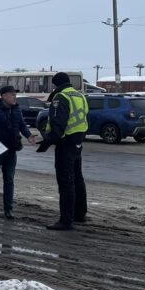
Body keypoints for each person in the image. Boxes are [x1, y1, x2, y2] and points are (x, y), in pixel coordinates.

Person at [0, 85, 37, 219]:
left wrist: (28, 135)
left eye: (15, 95)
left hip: (11, 150)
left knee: (9, 180)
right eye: (12, 94)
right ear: (4, 96)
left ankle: (8, 209)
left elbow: (21, 124)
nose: (14, 97)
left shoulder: (16, 109)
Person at [42, 72, 89, 231]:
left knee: (65, 182)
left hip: (65, 143)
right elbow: (84, 117)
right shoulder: (79, 96)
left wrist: (47, 141)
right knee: (77, 178)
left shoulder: (61, 97)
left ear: (55, 84)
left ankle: (66, 220)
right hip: (78, 141)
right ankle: (79, 214)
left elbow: (57, 124)